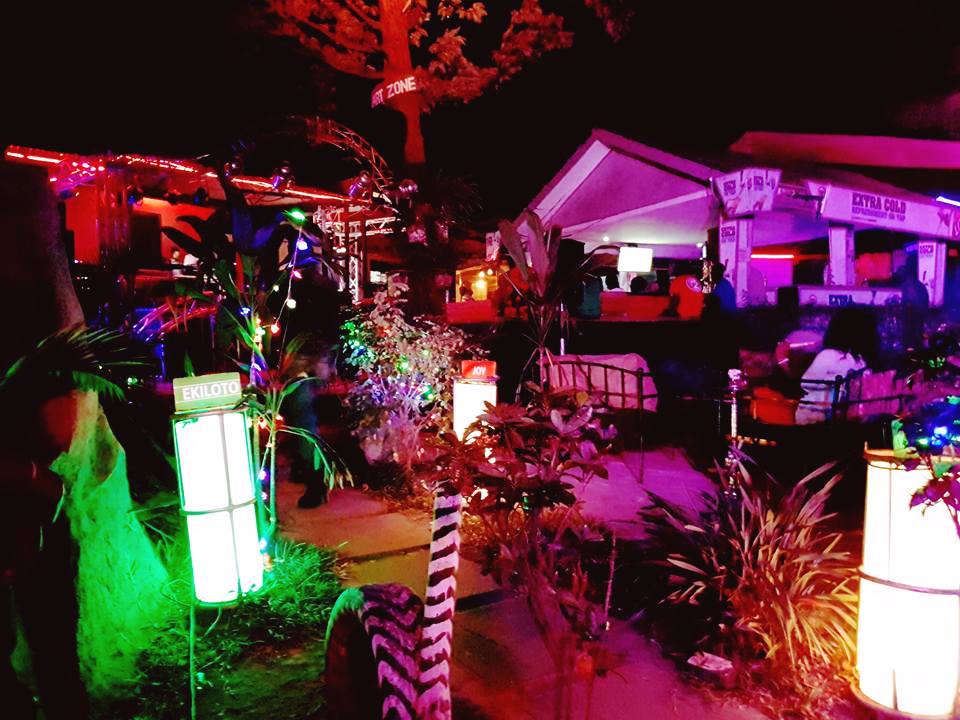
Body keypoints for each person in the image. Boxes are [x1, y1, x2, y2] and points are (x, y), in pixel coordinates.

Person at [795, 307, 877, 424]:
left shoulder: (861, 361)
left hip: (844, 418)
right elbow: (806, 384)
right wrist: (829, 389)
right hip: (814, 416)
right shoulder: (828, 356)